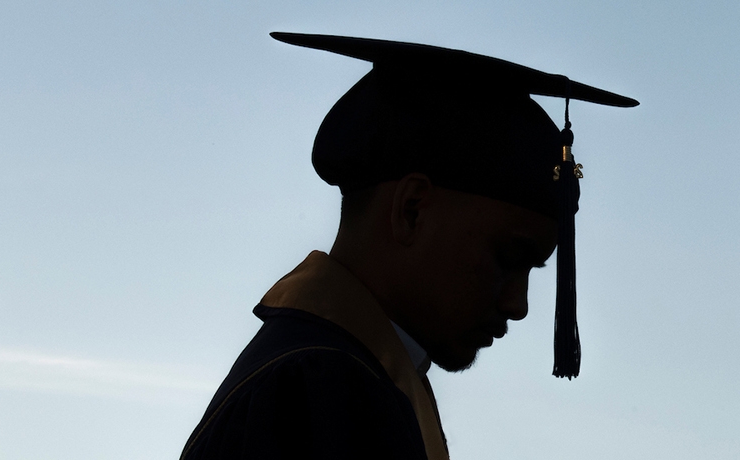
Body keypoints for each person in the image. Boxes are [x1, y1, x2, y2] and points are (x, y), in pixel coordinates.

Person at [179, 32, 638, 460]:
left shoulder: (336, 373)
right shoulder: (320, 389)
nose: (518, 305)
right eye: (508, 259)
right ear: (412, 210)